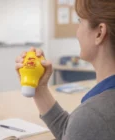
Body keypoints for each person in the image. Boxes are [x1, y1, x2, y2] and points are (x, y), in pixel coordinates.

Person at [15, 0, 115, 140]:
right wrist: (39, 89)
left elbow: (84, 127)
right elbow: (74, 132)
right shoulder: (94, 118)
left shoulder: (94, 114)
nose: (77, 32)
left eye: (80, 22)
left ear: (99, 33)